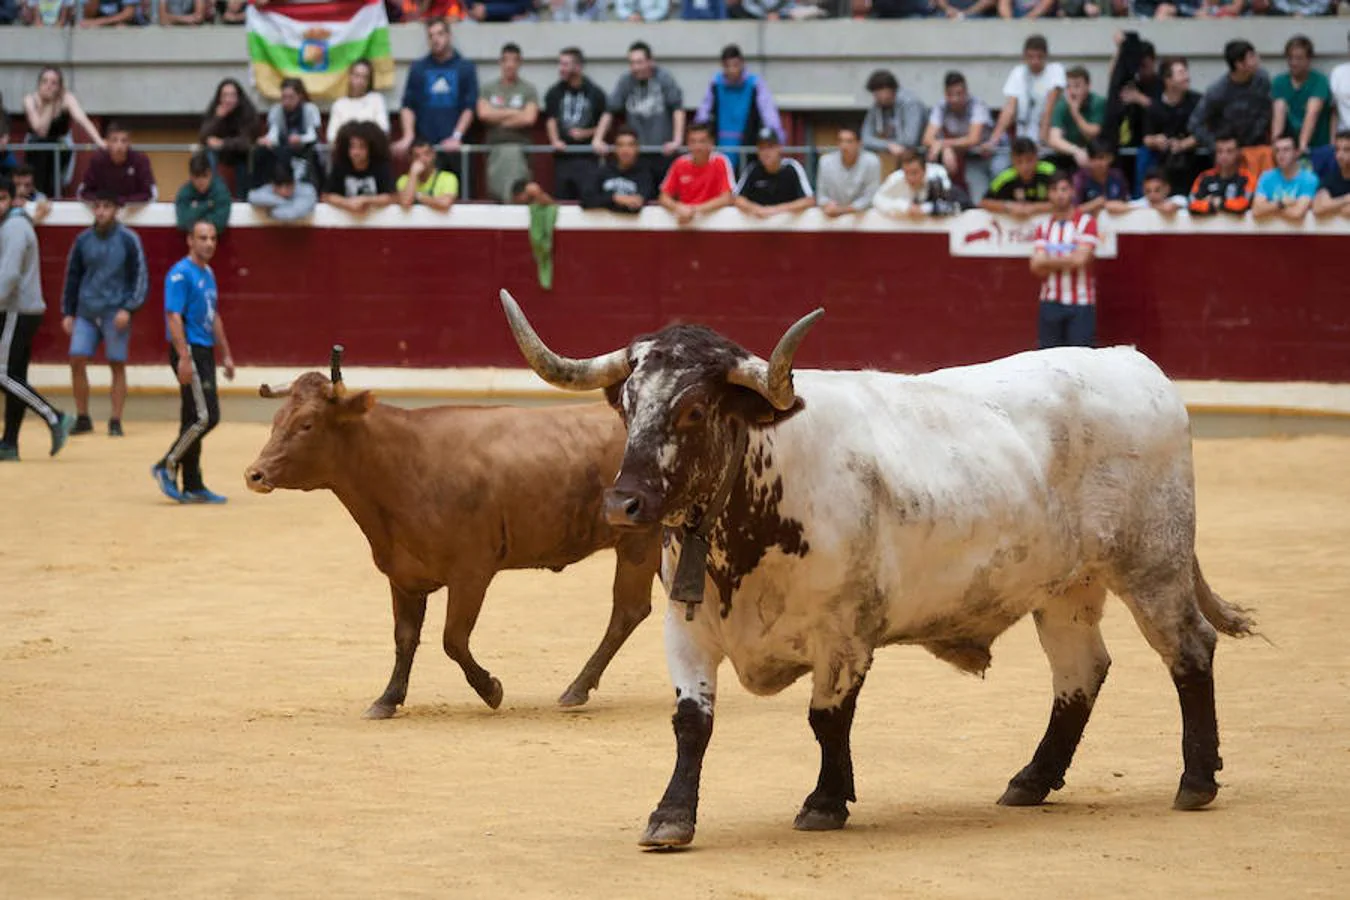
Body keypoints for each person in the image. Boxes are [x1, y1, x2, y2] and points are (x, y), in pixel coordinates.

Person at [152, 220, 236, 505]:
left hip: (204, 349)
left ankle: (193, 482)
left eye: (213, 238)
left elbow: (214, 316)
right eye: (203, 238)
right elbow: (173, 316)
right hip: (189, 349)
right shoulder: (180, 274)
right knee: (205, 417)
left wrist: (225, 353)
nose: (209, 243)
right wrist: (184, 357)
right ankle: (167, 464)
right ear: (190, 240)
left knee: (192, 418)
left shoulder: (207, 272)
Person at [61, 192, 147, 437]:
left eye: (106, 206)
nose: (100, 211)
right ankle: (83, 417)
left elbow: (139, 277)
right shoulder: (82, 240)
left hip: (115, 310)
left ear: (116, 209)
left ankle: (115, 420)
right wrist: (68, 312)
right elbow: (72, 276)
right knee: (76, 358)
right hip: (86, 311)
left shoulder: (129, 239)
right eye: (97, 206)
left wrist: (128, 308)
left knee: (116, 363)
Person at [0, 177, 74, 461]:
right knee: (14, 376)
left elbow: (8, 277)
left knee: (2, 373)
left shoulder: (15, 227)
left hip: (16, 310)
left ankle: (54, 416)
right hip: (21, 309)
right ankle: (9, 443)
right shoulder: (15, 224)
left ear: (12, 199)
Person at [395, 17, 478, 179]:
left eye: (440, 34)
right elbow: (407, 105)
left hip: (454, 149)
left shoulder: (465, 67)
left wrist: (456, 137)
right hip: (425, 148)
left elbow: (470, 107)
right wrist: (408, 135)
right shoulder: (418, 68)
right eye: (431, 36)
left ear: (449, 36)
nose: (435, 39)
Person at [593, 41, 685, 184]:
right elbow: (609, 111)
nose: (635, 67)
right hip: (636, 155)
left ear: (650, 61)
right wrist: (597, 138)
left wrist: (677, 140)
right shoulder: (626, 80)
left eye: (639, 62)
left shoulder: (664, 78)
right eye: (632, 63)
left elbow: (677, 109)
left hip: (663, 152)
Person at [1031, 172, 1099, 350]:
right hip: (1050, 302)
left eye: (1064, 189)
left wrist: (1048, 260)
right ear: (1048, 194)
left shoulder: (1087, 223)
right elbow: (1036, 266)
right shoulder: (1043, 228)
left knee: (1081, 364)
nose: (1059, 194)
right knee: (1049, 363)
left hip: (1081, 304)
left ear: (1072, 191)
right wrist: (1069, 259)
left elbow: (1080, 260)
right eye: (1054, 190)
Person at [980, 35, 1065, 174]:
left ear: (1046, 56)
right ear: (1024, 56)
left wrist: (1042, 140)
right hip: (1022, 144)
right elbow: (1009, 109)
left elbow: (1049, 107)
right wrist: (993, 140)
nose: (1035, 61)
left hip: (1045, 145)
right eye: (1030, 57)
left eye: (1039, 57)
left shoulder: (1055, 70)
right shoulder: (1018, 72)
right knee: (997, 168)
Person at [1190, 40, 1274, 177]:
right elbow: (1194, 123)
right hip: (1227, 156)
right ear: (1239, 65)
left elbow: (1267, 111)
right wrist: (1217, 146)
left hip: (1256, 148)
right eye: (1251, 57)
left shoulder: (1262, 79)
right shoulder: (1218, 91)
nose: (1257, 60)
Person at [694, 44, 785, 163]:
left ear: (742, 63)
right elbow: (703, 113)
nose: (732, 70)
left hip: (749, 147)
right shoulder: (715, 84)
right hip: (720, 147)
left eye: (735, 65)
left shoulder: (755, 84)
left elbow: (769, 113)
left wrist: (777, 139)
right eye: (728, 66)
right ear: (722, 66)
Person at [23, 67, 104, 199]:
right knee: (40, 159)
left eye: (53, 83)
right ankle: (39, 194)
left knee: (57, 168)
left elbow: (82, 119)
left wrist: (99, 141)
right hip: (36, 145)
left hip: (60, 144)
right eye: (45, 81)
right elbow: (41, 131)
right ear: (39, 84)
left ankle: (53, 193)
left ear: (60, 86)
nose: (48, 86)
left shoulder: (67, 98)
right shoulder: (30, 99)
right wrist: (49, 105)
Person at [478, 42, 541, 204]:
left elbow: (529, 118)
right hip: (494, 149)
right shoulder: (488, 88)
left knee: (520, 195)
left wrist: (498, 116)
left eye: (514, 60)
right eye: (506, 60)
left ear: (520, 63)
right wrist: (514, 112)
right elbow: (484, 114)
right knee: (497, 195)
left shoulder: (528, 89)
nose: (510, 65)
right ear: (500, 62)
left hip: (520, 149)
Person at [544, 47, 607, 202]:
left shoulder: (595, 92)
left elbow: (604, 122)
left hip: (588, 157)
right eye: (560, 64)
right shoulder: (554, 92)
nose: (561, 68)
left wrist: (586, 134)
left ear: (578, 66)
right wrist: (555, 140)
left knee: (589, 199)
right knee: (563, 202)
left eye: (565, 64)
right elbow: (550, 119)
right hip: (564, 157)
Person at [922, 71, 995, 202]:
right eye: (950, 94)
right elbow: (927, 138)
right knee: (930, 159)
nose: (955, 99)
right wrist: (945, 149)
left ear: (966, 92)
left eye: (959, 94)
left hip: (982, 157)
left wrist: (943, 144)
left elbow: (974, 139)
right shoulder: (941, 106)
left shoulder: (977, 105)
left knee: (979, 200)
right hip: (956, 156)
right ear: (945, 94)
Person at [1141, 57, 1201, 200]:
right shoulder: (1154, 106)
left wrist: (1184, 144)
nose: (1187, 77)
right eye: (1181, 73)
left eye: (1186, 72)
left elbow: (1205, 131)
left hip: (1192, 164)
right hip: (1163, 166)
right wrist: (1156, 140)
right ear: (1168, 80)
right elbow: (1146, 137)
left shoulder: (1197, 101)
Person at [1272, 36, 1333, 171]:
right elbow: (1279, 114)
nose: (1294, 62)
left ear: (1309, 59)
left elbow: (1312, 113)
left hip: (1317, 146)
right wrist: (1276, 145)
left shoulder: (1319, 80)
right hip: (1289, 148)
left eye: (1299, 58)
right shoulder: (1279, 82)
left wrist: (1301, 147)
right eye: (1290, 58)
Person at [658, 122, 735, 225]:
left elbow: (727, 198)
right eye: (692, 141)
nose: (697, 146)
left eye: (702, 141)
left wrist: (694, 210)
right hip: (685, 222)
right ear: (687, 144)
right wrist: (677, 208)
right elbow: (663, 197)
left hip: (715, 223)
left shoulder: (721, 161)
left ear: (711, 143)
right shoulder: (679, 163)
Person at [733, 128, 814, 219]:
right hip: (759, 227)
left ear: (779, 148)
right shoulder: (752, 169)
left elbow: (809, 200)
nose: (766, 152)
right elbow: (737, 199)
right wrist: (756, 209)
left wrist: (774, 210)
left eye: (770, 147)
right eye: (762, 148)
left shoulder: (792, 167)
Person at [200, 78, 259, 200]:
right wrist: (217, 118)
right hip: (221, 155)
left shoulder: (247, 111)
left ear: (238, 98)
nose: (228, 100)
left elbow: (246, 142)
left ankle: (242, 198)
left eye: (232, 96)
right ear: (219, 98)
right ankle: (215, 195)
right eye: (225, 95)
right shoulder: (214, 110)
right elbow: (203, 137)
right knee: (208, 152)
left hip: (241, 155)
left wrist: (223, 143)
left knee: (246, 157)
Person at [258, 78, 322, 187]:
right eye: (284, 97)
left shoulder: (310, 109)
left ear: (300, 96)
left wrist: (300, 139)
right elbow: (273, 134)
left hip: (306, 149)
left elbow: (313, 135)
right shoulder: (276, 111)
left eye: (291, 97)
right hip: (283, 150)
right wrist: (266, 140)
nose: (286, 102)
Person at [75, 122, 156, 204]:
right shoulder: (97, 159)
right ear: (107, 142)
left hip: (132, 207)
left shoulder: (140, 160)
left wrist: (122, 201)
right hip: (104, 207)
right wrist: (105, 201)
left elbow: (149, 193)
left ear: (129, 143)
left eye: (124, 141)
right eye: (114, 140)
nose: (119, 145)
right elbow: (84, 192)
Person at [323, 122, 395, 214]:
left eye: (362, 147)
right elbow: (327, 195)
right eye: (352, 147)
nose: (356, 152)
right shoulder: (340, 166)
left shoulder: (381, 166)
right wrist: (346, 203)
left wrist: (366, 200)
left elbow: (391, 197)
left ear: (371, 148)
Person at [860, 69, 926, 166]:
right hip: (896, 156)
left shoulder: (910, 103)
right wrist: (888, 145)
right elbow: (865, 139)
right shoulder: (877, 106)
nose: (875, 98)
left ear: (887, 90)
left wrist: (881, 143)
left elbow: (910, 140)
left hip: (920, 156)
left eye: (877, 93)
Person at [582, 128, 655, 214]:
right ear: (615, 149)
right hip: (603, 225)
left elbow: (636, 204)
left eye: (630, 145)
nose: (625, 150)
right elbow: (586, 200)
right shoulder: (603, 171)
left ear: (637, 148)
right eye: (620, 145)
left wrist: (607, 202)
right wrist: (615, 198)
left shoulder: (644, 175)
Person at [980, 137, 1055, 219]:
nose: (1025, 167)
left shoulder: (1050, 172)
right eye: (1019, 161)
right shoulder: (1004, 178)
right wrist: (1008, 206)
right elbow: (983, 202)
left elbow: (1068, 200)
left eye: (1029, 160)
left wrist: (1035, 207)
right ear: (1012, 160)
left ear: (1037, 157)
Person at [1047, 67, 1107, 171]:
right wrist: (1076, 151)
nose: (1072, 91)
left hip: (1096, 154)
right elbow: (1054, 139)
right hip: (1071, 153)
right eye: (1068, 87)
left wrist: (1075, 113)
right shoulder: (1062, 104)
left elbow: (1092, 134)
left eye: (1077, 86)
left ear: (1088, 86)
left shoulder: (1098, 102)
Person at [816, 127, 881, 217]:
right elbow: (821, 195)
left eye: (849, 141)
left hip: (861, 217)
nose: (844, 146)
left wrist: (843, 210)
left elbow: (871, 197)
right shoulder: (825, 161)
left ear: (859, 143)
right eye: (840, 141)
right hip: (832, 216)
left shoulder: (872, 161)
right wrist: (827, 204)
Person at [874, 150, 959, 219]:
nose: (910, 178)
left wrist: (924, 209)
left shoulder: (937, 176)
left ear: (925, 170)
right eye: (906, 172)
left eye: (914, 172)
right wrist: (904, 206)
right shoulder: (896, 178)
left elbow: (952, 204)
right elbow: (877, 199)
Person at [1251, 135, 1318, 223]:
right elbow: (1256, 210)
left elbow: (1297, 213)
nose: (1281, 155)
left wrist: (1268, 208)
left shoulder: (1309, 178)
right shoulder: (1266, 177)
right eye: (1277, 150)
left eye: (1286, 150)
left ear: (1296, 152)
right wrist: (1282, 204)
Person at [1188, 134, 1256, 217]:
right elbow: (1191, 203)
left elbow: (1243, 204)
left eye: (1229, 151)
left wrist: (1220, 202)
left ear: (1238, 153)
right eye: (1220, 151)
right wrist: (1211, 205)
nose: (1224, 156)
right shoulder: (1204, 177)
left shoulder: (1247, 178)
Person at [327, 59, 390, 143]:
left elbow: (383, 129)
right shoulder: (339, 104)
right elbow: (331, 136)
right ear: (349, 77)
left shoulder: (377, 99)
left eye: (365, 77)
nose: (360, 81)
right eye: (357, 76)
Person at [175, 152, 232, 237]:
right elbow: (183, 223)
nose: (201, 181)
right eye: (197, 177)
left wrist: (195, 208)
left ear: (211, 174)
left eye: (205, 176)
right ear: (191, 176)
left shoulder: (221, 190)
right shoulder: (184, 192)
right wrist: (207, 205)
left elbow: (219, 224)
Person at [397, 139, 458, 211]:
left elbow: (444, 203)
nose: (423, 159)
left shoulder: (448, 178)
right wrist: (413, 174)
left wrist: (417, 196)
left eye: (427, 154)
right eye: (417, 156)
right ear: (410, 159)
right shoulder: (403, 180)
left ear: (434, 155)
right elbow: (406, 203)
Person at [1073, 139, 1130, 216]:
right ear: (1088, 159)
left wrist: (1111, 205)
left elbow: (1127, 204)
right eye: (1093, 158)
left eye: (1101, 158)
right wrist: (1094, 204)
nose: (1098, 163)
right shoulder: (1080, 178)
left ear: (1110, 158)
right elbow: (1073, 211)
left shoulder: (1118, 176)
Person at [248, 163, 318, 221]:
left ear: (294, 182)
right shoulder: (269, 188)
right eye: (279, 185)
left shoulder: (307, 191)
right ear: (272, 184)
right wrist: (284, 202)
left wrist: (270, 212)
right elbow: (252, 197)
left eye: (288, 185)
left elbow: (291, 214)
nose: (283, 190)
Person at [1312, 130, 1350, 218]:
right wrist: (1346, 199)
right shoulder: (1330, 178)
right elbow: (1318, 208)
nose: (1340, 155)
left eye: (1347, 150)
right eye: (1337, 150)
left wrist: (1332, 206)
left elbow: (1348, 211)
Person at [79, 0, 143, 27]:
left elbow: (128, 14)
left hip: (133, 24)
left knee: (121, 27)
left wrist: (99, 22)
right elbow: (88, 16)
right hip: (104, 24)